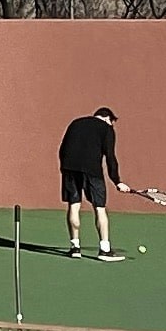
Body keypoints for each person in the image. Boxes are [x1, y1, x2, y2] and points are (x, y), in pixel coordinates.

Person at [58, 106, 129, 258]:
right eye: (111, 122)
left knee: (74, 204)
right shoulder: (107, 129)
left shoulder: (75, 123)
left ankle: (75, 248)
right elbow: (110, 157)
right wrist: (117, 181)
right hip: (92, 170)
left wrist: (65, 168)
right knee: (99, 207)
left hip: (69, 168)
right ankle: (104, 250)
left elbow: (62, 149)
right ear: (107, 118)